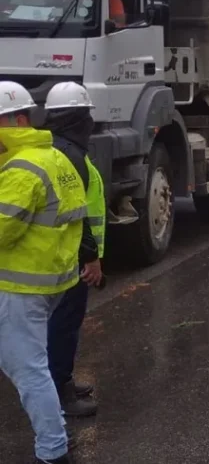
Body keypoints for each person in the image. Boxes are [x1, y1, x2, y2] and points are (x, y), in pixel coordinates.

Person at [0, 81, 88, 464]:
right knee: (26, 363)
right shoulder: (55, 158)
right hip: (52, 281)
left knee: (28, 369)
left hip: (20, 285)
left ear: (18, 120)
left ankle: (52, 450)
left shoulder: (21, 170)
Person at [42, 83, 103, 420]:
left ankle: (61, 379)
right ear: (79, 119)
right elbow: (76, 214)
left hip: (63, 253)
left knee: (62, 323)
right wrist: (90, 257)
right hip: (70, 258)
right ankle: (60, 391)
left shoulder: (56, 149)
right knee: (64, 324)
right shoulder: (71, 157)